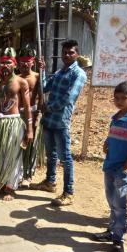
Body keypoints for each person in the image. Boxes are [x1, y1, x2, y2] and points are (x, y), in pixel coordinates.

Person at [30, 39, 87, 206]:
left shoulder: (79, 74)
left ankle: (68, 192)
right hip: (48, 120)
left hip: (61, 121)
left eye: (71, 52)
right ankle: (50, 182)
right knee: (51, 154)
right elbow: (45, 87)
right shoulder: (60, 72)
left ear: (77, 54)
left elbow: (69, 98)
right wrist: (42, 71)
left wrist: (49, 107)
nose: (67, 55)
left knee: (65, 157)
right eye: (65, 52)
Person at [92, 81, 127, 252]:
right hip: (110, 165)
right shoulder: (116, 117)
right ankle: (112, 231)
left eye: (123, 98)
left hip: (122, 169)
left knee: (120, 204)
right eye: (116, 98)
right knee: (112, 201)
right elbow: (112, 134)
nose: (118, 101)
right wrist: (106, 143)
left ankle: (118, 240)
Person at [0, 48, 33, 201]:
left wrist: (29, 130)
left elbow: (27, 108)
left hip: (13, 123)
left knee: (13, 155)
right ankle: (2, 182)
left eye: (8, 63)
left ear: (14, 65)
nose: (4, 66)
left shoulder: (21, 82)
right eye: (2, 63)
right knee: (0, 153)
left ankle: (11, 187)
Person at [18, 46, 45, 185]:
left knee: (31, 145)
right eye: (22, 62)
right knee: (19, 144)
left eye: (27, 62)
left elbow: (41, 97)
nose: (24, 65)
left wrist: (39, 114)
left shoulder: (38, 76)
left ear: (32, 62)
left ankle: (29, 174)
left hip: (34, 113)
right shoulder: (16, 78)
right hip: (19, 114)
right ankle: (19, 172)